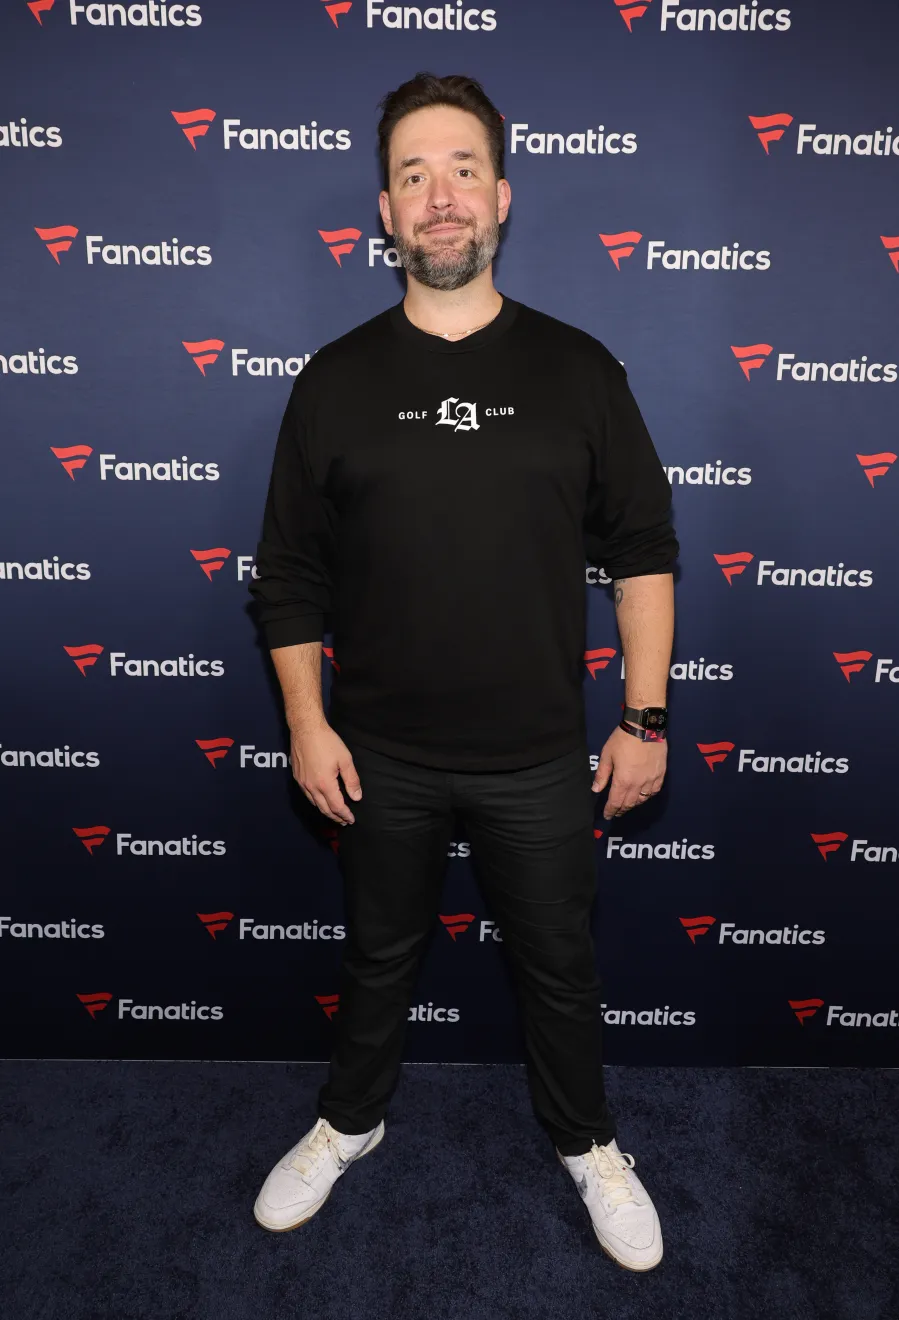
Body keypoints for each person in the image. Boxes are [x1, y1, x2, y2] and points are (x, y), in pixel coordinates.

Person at [247, 71, 677, 1272]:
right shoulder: (332, 381)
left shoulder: (580, 370)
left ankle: (587, 1143)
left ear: (502, 197)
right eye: (413, 175)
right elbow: (286, 576)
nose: (440, 197)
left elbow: (642, 551)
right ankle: (347, 1122)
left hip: (541, 757)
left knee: (560, 969)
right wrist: (305, 722)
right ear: (382, 212)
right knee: (377, 955)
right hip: (376, 752)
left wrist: (642, 717)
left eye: (462, 170)